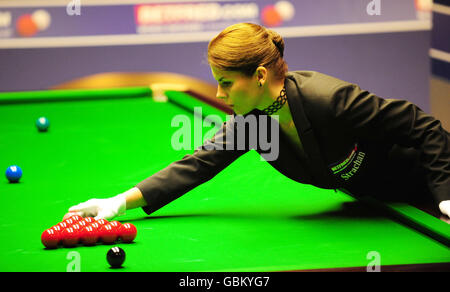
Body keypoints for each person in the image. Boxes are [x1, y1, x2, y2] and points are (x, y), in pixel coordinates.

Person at [68, 23, 450, 221]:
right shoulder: (255, 120)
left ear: (261, 76)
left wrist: (445, 198)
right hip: (379, 205)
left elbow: (425, 128)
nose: (219, 95)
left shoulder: (329, 100)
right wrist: (119, 202)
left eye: (226, 83)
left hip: (427, 191)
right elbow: (199, 164)